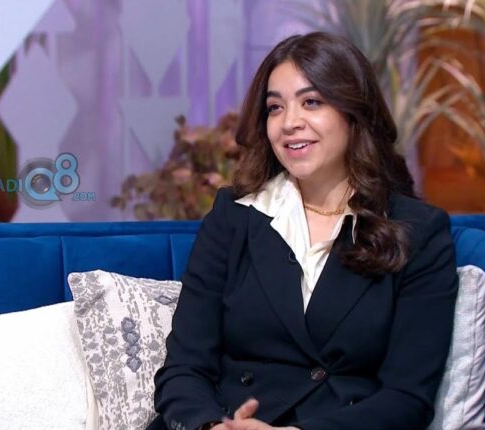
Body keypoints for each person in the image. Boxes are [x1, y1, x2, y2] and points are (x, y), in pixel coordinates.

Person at [148, 32, 458, 430]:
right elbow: (184, 368)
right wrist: (211, 426)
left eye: (311, 102)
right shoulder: (234, 216)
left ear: (354, 112)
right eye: (275, 107)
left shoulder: (416, 231)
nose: (290, 123)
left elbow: (407, 397)